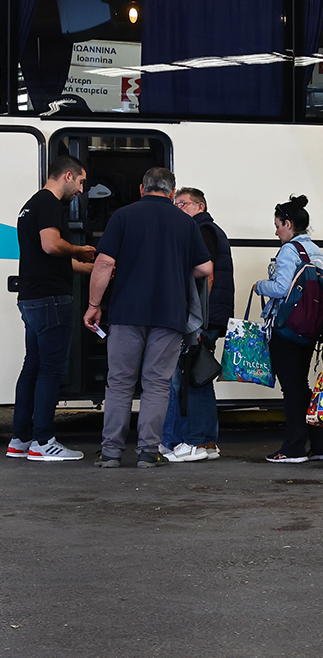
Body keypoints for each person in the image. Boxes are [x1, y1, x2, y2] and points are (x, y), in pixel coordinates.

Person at [84, 167, 212, 468]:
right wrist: (177, 273)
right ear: (171, 192)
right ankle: (148, 452)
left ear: (142, 189)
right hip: (169, 315)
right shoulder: (185, 223)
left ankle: (112, 452)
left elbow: (104, 263)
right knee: (156, 384)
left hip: (127, 313)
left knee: (119, 383)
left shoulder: (123, 217)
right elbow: (205, 269)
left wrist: (93, 304)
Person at [10, 155, 96, 463]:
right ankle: (43, 441)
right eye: (82, 182)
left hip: (32, 298)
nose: (82, 190)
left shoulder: (30, 205)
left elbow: (48, 256)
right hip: (51, 300)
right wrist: (79, 248)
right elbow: (51, 245)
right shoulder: (50, 204)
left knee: (32, 368)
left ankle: (20, 439)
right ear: (68, 176)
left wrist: (89, 268)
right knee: (50, 371)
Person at [252, 195, 323, 464]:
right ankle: (322, 445)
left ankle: (294, 448)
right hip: (309, 329)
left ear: (288, 224)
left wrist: (259, 286)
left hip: (287, 329)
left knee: (292, 389)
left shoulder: (289, 250)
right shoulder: (316, 251)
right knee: (302, 385)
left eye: (277, 225)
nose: (275, 230)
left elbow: (280, 288)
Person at [159, 187, 233, 463]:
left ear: (200, 206)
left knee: (192, 379)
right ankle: (205, 441)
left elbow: (208, 275)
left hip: (202, 317)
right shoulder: (208, 229)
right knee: (198, 377)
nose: (178, 208)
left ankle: (196, 442)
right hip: (210, 316)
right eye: (175, 204)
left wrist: (196, 320)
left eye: (183, 204)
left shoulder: (202, 230)